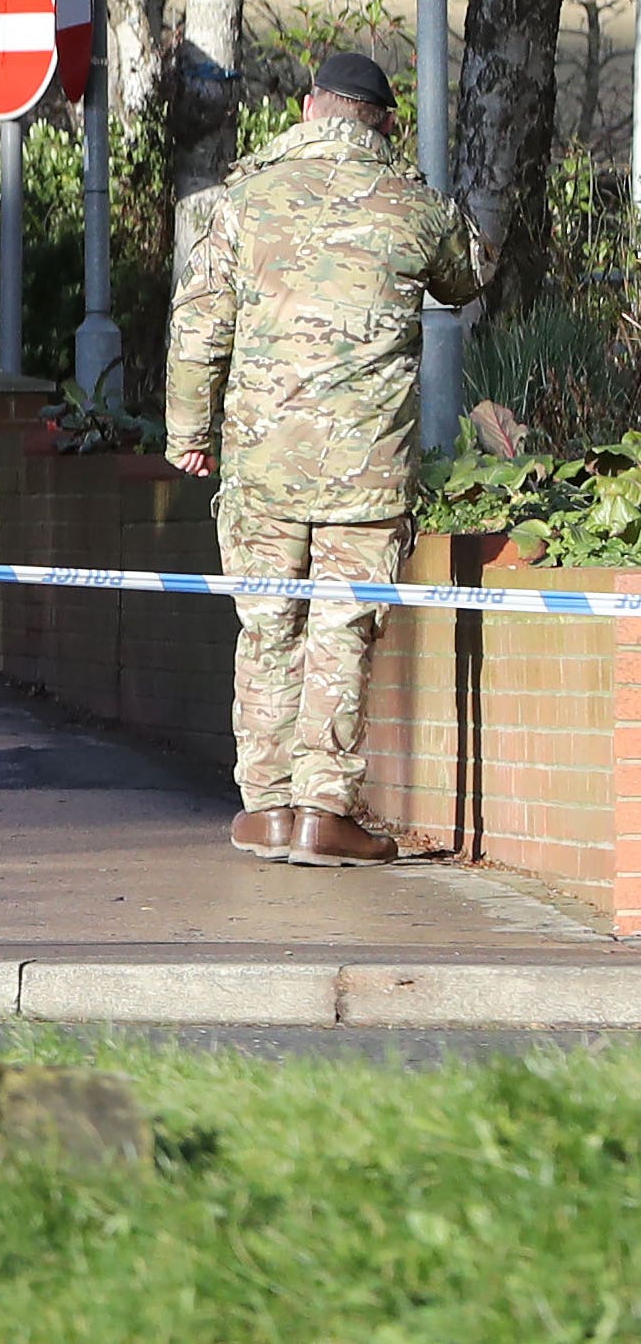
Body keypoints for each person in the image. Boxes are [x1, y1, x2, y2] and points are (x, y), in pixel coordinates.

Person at [166, 49, 486, 868]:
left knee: (267, 624)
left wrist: (188, 436)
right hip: (366, 470)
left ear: (310, 108)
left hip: (263, 465)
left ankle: (266, 808)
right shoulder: (410, 205)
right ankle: (324, 811)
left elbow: (198, 329)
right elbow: (467, 278)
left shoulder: (239, 200)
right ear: (381, 120)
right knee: (344, 628)